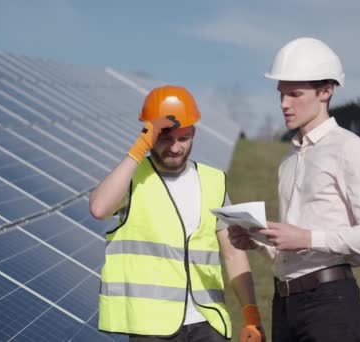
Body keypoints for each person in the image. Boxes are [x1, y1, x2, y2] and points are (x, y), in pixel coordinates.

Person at [229, 37, 360, 341]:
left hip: (330, 303)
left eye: (294, 94)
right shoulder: (288, 161)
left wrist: (305, 237)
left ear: (326, 91)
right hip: (284, 304)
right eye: (281, 94)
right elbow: (293, 251)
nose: (283, 104)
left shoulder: (352, 150)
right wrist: (258, 242)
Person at [89, 85, 266, 342]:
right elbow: (98, 207)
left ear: (194, 133)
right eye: (166, 138)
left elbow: (232, 253)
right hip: (151, 327)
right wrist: (138, 150)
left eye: (184, 139)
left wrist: (251, 315)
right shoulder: (132, 178)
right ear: (149, 134)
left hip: (208, 322)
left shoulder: (214, 181)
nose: (175, 148)